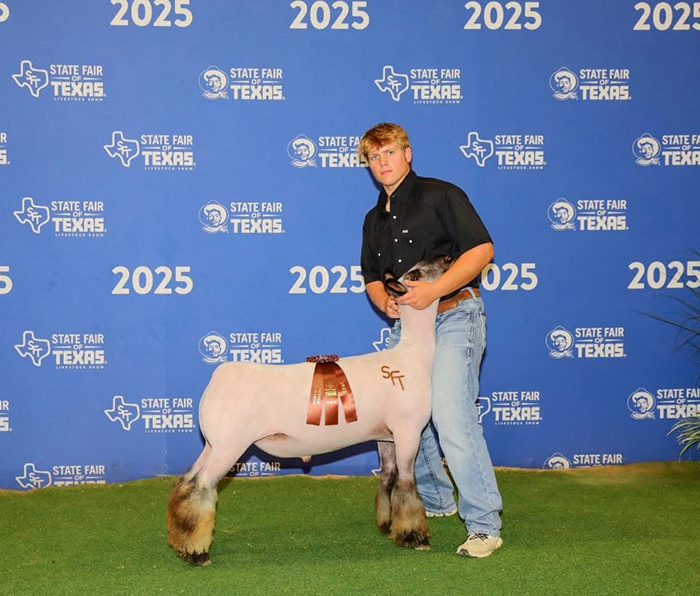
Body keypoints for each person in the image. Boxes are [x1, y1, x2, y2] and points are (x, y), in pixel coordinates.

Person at [359, 122, 503, 558]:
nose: (382, 162)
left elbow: (482, 250)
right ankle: (437, 500)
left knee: (452, 415)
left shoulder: (442, 195)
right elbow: (373, 277)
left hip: (455, 313)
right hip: (408, 327)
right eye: (374, 157)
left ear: (407, 154)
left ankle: (484, 525)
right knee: (404, 415)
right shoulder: (373, 220)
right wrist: (385, 300)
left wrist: (435, 290)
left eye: (389, 153)